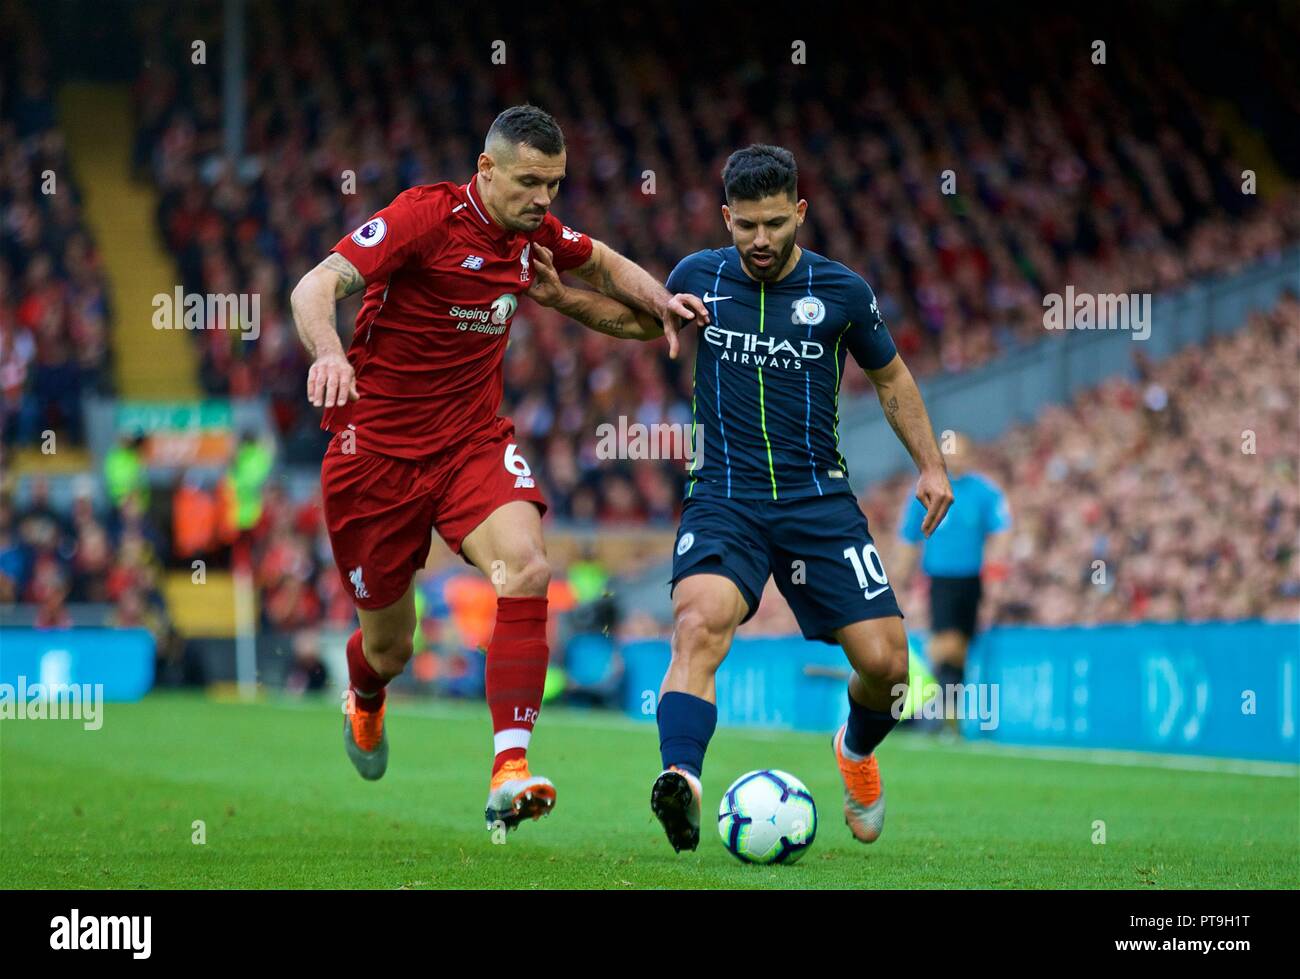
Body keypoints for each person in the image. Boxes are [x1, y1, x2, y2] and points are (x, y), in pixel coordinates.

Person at [289, 104, 707, 834]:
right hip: (374, 458)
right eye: (529, 182)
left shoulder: (534, 233)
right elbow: (314, 285)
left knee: (529, 568)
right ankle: (364, 694)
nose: (544, 199)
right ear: (486, 169)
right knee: (391, 647)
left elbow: (604, 262)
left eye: (554, 183)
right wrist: (328, 351)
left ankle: (509, 768)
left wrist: (660, 300)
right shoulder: (425, 218)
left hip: (470, 445)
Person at [637, 144, 953, 852]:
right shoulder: (697, 277)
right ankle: (682, 780)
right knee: (699, 622)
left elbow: (893, 380)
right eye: (745, 225)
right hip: (725, 495)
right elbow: (637, 317)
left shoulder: (841, 291)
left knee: (887, 668)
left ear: (799, 213)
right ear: (726, 217)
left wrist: (930, 465)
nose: (760, 239)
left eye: (775, 223)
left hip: (818, 500)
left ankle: (855, 751)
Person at [891, 432, 1011, 725]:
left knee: (961, 646)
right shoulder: (926, 490)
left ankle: (946, 710)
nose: (954, 458)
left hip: (971, 579)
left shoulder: (984, 492)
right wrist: (898, 578)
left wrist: (995, 574)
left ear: (969, 456)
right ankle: (942, 710)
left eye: (959, 452)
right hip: (940, 578)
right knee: (947, 641)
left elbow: (1001, 531)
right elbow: (908, 536)